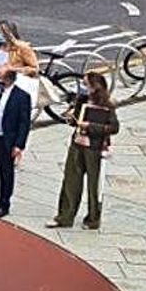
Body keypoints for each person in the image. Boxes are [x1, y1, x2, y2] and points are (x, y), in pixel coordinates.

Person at [48, 73, 119, 230]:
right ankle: (65, 216)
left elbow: (114, 128)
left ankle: (93, 218)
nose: (83, 87)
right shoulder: (82, 101)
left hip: (94, 148)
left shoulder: (108, 104)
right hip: (77, 144)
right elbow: (76, 121)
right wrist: (72, 119)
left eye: (86, 84)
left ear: (95, 87)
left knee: (94, 186)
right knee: (70, 180)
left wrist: (90, 126)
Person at [0, 68, 32, 218]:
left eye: (0, 77)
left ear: (9, 79)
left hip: (5, 139)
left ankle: (4, 204)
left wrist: (19, 145)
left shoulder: (22, 97)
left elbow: (24, 123)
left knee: (6, 173)